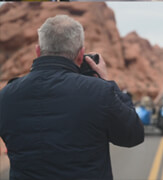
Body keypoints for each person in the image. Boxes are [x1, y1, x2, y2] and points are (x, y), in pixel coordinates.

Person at [0, 15, 144, 180]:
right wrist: (107, 82)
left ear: (38, 51)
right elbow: (133, 135)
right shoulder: (99, 92)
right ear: (81, 55)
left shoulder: (6, 96)